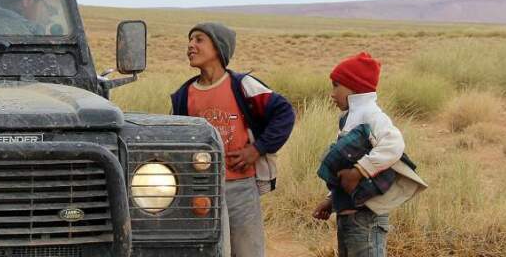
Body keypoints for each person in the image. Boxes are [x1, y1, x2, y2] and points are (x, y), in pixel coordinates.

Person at [170, 22, 296, 257]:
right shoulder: (183, 95)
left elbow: (285, 113)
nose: (190, 45)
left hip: (240, 186)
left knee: (249, 251)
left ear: (218, 48)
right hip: (200, 190)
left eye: (199, 40)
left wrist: (258, 149)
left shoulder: (242, 86)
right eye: (190, 40)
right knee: (207, 250)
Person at [311, 52, 427, 257]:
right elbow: (343, 166)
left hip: (366, 220)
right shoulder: (349, 119)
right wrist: (331, 200)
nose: (332, 93)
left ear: (354, 87)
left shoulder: (371, 115)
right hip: (348, 218)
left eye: (336, 85)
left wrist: (359, 171)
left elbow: (394, 144)